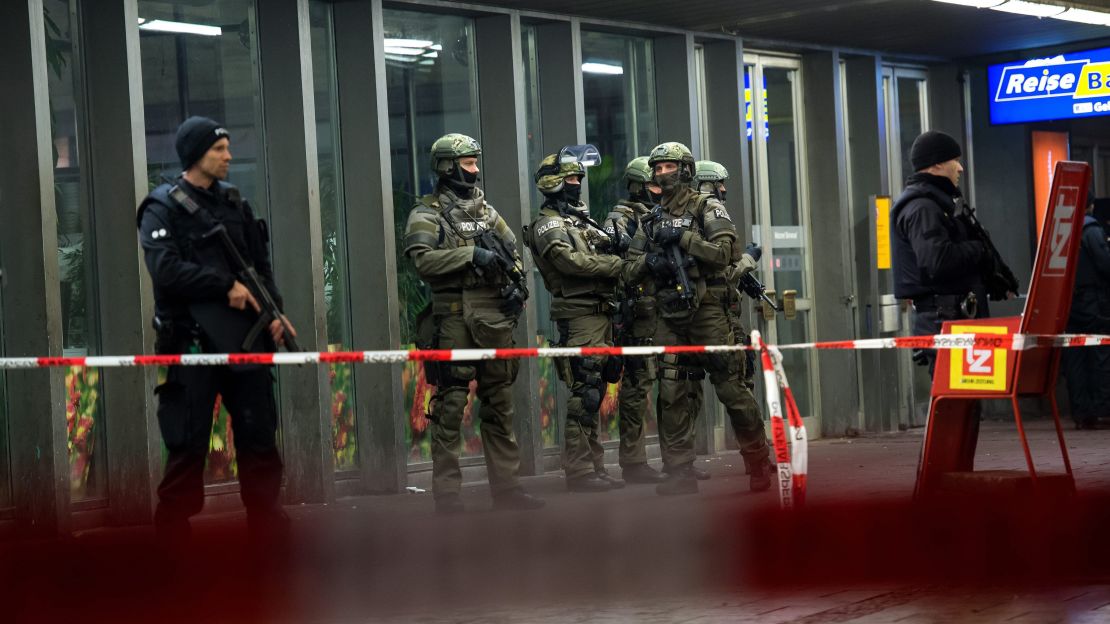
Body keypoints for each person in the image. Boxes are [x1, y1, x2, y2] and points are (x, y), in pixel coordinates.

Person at [137, 116, 293, 543]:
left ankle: (267, 526)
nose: (228, 156)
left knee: (259, 436)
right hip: (191, 342)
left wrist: (275, 313)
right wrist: (225, 287)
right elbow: (165, 270)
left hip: (246, 340)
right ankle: (172, 532)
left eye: (226, 148)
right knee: (186, 442)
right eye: (219, 149)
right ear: (195, 155)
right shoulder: (162, 208)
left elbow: (259, 268)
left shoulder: (234, 203)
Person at [403, 133, 543, 514]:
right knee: (449, 408)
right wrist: (470, 255)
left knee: (500, 405)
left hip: (496, 317)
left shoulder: (486, 210)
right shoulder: (426, 213)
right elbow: (422, 262)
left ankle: (508, 489)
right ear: (447, 166)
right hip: (454, 319)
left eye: (475, 162)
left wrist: (516, 286)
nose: (475, 170)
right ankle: (447, 494)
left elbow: (514, 254)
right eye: (467, 163)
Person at [623, 142, 771, 496]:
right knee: (673, 390)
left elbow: (725, 254)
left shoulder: (708, 207)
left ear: (686, 169)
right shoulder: (651, 218)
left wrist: (686, 238)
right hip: (670, 315)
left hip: (708, 312)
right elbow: (628, 268)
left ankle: (758, 461)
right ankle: (679, 471)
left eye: (669, 167)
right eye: (657, 169)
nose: (662, 174)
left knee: (731, 387)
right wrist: (649, 263)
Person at [891, 130, 1014, 471]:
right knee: (953, 408)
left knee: (964, 407)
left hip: (956, 318)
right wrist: (979, 250)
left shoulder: (938, 205)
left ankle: (955, 478)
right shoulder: (922, 207)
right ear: (938, 164)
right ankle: (941, 482)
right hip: (946, 320)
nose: (961, 167)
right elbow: (938, 261)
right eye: (956, 160)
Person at [524, 148, 625, 492]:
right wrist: (615, 266)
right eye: (570, 179)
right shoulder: (549, 224)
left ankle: (593, 466)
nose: (576, 184)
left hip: (600, 313)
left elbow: (602, 251)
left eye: (579, 178)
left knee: (596, 389)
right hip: (578, 314)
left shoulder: (580, 220)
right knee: (585, 393)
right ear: (553, 184)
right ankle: (580, 471)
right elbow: (571, 264)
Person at [602, 157, 666, 484]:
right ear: (639, 185)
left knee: (670, 380)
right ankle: (633, 459)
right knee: (638, 383)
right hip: (636, 309)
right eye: (654, 184)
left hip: (662, 308)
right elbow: (618, 265)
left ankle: (675, 459)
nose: (660, 189)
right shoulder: (621, 217)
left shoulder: (663, 213)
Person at [1062, 198, 1110, 429]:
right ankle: (1102, 410)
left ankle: (1081, 413)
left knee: (1074, 357)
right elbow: (1105, 263)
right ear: (1089, 205)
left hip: (1066, 303)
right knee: (1100, 351)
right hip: (1092, 301)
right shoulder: (1090, 228)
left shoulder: (1060, 229)